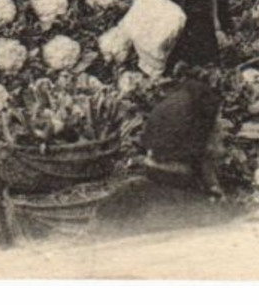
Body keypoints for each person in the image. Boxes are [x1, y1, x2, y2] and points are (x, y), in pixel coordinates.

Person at [97, 79, 231, 237]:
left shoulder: (117, 202)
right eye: (216, 129)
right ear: (199, 141)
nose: (224, 133)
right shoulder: (204, 218)